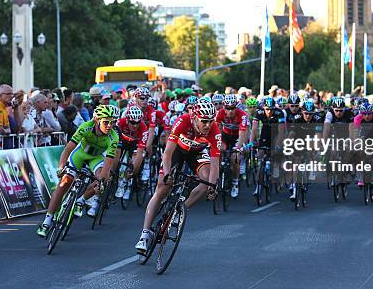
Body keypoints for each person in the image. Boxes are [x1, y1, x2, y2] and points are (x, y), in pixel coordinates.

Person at [135, 99, 220, 254]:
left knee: (207, 181)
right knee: (162, 189)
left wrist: (213, 186)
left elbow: (215, 164)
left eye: (210, 121)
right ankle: (145, 234)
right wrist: (167, 174)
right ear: (195, 117)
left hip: (197, 153)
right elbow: (167, 153)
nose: (208, 125)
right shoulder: (183, 120)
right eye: (204, 121)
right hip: (177, 152)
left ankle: (179, 211)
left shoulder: (214, 130)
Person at [37, 105, 120, 237]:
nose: (110, 125)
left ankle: (81, 200)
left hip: (96, 158)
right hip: (79, 155)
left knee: (104, 179)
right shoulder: (86, 126)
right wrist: (61, 167)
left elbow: (108, 163)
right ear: (97, 120)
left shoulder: (114, 137)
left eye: (113, 122)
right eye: (106, 122)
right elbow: (68, 148)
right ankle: (47, 220)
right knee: (65, 182)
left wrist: (102, 182)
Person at [215, 94, 249, 198]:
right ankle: (217, 177)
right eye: (228, 108)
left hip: (237, 136)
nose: (230, 111)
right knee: (218, 152)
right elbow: (216, 130)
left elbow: (243, 133)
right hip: (225, 136)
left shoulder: (242, 115)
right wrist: (217, 143)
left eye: (233, 108)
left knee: (235, 157)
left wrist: (238, 147)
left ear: (236, 107)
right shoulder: (220, 113)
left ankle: (235, 183)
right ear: (224, 108)